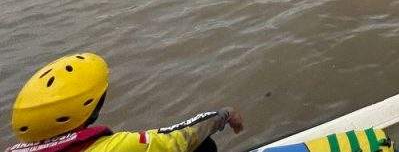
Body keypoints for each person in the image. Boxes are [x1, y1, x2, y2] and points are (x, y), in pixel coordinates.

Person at [7, 52, 243, 152]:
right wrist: (223, 114)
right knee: (201, 147)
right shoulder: (115, 147)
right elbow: (177, 139)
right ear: (92, 108)